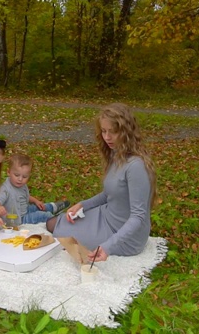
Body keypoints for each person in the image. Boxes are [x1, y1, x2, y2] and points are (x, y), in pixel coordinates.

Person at [46, 103, 156, 263]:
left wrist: (107, 246)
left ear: (126, 132)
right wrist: (82, 205)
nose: (107, 137)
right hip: (106, 216)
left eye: (113, 132)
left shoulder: (136, 166)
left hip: (125, 237)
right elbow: (109, 194)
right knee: (52, 223)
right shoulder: (116, 154)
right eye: (104, 131)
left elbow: (138, 216)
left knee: (59, 236)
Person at [0, 153, 70, 225]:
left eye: (24, 177)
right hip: (19, 218)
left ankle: (53, 207)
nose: (20, 179)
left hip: (26, 209)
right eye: (16, 175)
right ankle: (59, 220)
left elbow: (25, 196)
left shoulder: (21, 185)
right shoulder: (5, 189)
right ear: (8, 172)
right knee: (41, 215)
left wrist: (35, 201)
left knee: (40, 207)